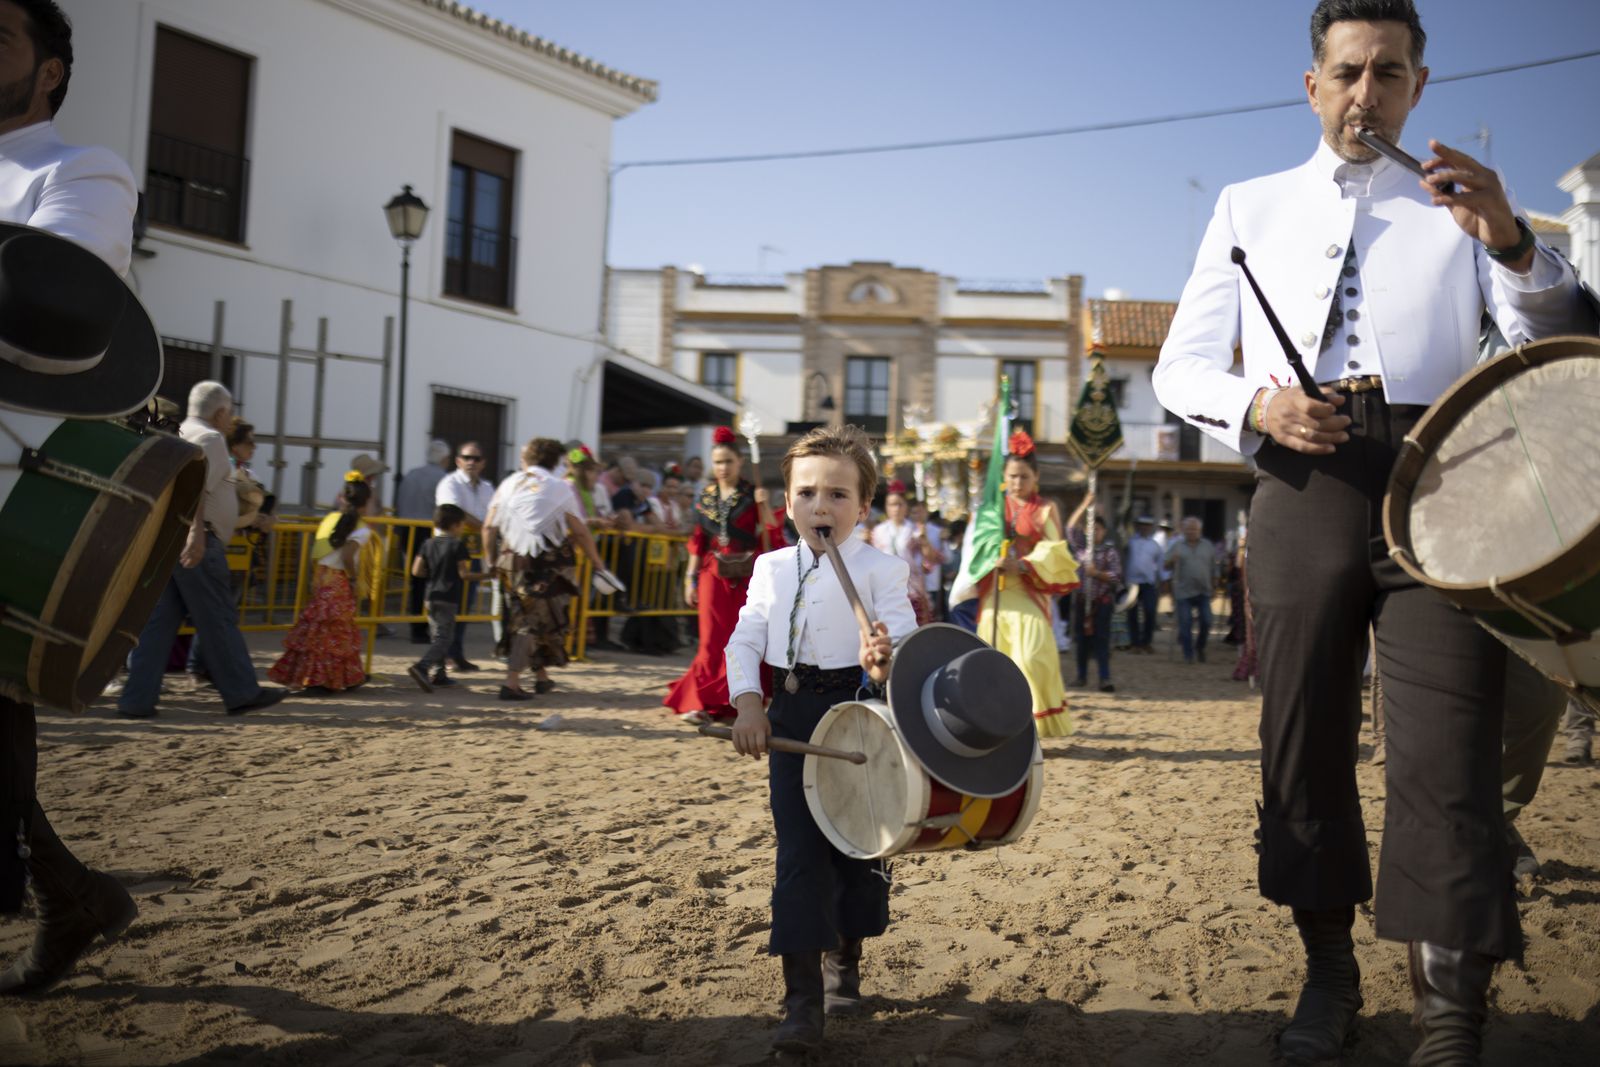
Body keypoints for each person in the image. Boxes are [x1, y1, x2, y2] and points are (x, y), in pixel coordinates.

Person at [1152, 2, 1593, 1060]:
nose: (1366, 93)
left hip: (1444, 476)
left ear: (1418, 87)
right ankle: (1327, 969)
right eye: (1347, 71)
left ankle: (1450, 1010)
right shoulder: (1246, 204)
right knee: (1299, 737)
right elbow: (1179, 367)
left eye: (1388, 73)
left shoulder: (1471, 207)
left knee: (1447, 747)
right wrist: (1257, 407)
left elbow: (1563, 338)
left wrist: (1513, 240)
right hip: (1299, 480)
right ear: (1312, 85)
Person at [2, 0, 149, 994]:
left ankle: (65, 890)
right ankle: (67, 888)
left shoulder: (80, 168)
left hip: (9, 483)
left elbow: (56, 293)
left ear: (48, 70)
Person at [725, 424, 917, 1055]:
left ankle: (846, 961)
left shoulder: (884, 569)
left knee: (856, 851)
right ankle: (802, 1004)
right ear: (788, 503)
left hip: (858, 716)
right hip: (789, 717)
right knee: (801, 853)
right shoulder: (770, 567)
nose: (820, 506)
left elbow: (903, 649)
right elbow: (746, 638)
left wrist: (884, 661)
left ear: (863, 507)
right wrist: (750, 704)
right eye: (807, 493)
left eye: (838, 494)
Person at [118, 380, 289, 719]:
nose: (231, 420)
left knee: (160, 622)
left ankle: (136, 698)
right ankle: (241, 692)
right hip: (199, 541)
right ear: (221, 412)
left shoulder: (178, 432)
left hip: (170, 541)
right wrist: (196, 532)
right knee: (218, 617)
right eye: (230, 413)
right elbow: (191, 487)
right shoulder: (210, 439)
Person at [663, 426, 785, 725]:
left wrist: (763, 503)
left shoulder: (751, 492)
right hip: (711, 575)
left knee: (741, 638)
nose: (722, 468)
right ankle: (702, 701)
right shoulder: (705, 496)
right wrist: (689, 579)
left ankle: (738, 700)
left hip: (745, 578)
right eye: (717, 462)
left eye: (728, 462)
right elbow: (697, 540)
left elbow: (772, 532)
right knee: (709, 641)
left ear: (739, 462)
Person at [974, 429, 1079, 739]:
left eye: (1023, 476)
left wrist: (1022, 564)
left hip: (1028, 592)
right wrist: (988, 558)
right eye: (1012, 476)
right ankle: (999, 725)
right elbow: (975, 547)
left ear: (1036, 477)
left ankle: (1031, 723)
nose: (1017, 483)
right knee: (996, 659)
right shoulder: (992, 509)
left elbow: (1054, 550)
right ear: (1004, 476)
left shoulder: (1046, 508)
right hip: (994, 595)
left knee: (1032, 657)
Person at [484, 438, 605, 701]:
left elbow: (489, 527)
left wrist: (491, 561)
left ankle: (541, 677)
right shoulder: (559, 487)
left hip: (511, 562)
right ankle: (511, 683)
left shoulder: (508, 484)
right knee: (530, 622)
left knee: (535, 619)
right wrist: (597, 563)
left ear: (527, 459)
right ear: (555, 461)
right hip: (548, 566)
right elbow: (580, 530)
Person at [268, 474, 372, 692]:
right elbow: (347, 556)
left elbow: (317, 553)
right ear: (367, 503)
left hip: (322, 578)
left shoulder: (330, 520)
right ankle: (329, 678)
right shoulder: (362, 529)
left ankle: (313, 676)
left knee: (316, 630)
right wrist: (353, 579)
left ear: (342, 498)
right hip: (338, 581)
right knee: (336, 631)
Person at [408, 503, 482, 692]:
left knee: (437, 636)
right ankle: (422, 667)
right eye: (462, 525)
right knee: (445, 638)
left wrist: (433, 574)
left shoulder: (428, 543)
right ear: (456, 525)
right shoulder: (457, 545)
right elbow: (464, 575)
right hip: (448, 597)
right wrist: (489, 575)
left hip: (430, 595)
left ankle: (439, 675)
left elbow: (416, 570)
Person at [435, 441, 495, 671]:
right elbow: (454, 512)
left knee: (464, 605)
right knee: (448, 606)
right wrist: (485, 527)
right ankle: (443, 656)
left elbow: (494, 513)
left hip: (471, 552)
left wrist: (488, 530)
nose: (471, 462)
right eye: (467, 457)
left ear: (483, 463)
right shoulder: (449, 483)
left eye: (476, 458)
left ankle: (455, 652)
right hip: (449, 551)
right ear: (458, 460)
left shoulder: (487, 487)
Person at [397, 439, 454, 643]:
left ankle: (417, 627)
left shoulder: (411, 474)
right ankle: (429, 627)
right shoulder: (444, 479)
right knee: (434, 581)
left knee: (416, 580)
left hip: (406, 530)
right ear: (446, 459)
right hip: (428, 532)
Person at [1067, 503, 1122, 693]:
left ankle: (1104, 678)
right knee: (1081, 642)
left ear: (1104, 531)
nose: (1094, 533)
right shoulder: (1081, 550)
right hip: (1082, 601)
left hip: (1102, 603)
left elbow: (1116, 576)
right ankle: (1081, 676)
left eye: (1097, 529)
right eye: (1090, 529)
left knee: (1101, 642)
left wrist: (1097, 573)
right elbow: (1070, 528)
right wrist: (1084, 504)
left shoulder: (1109, 552)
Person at [870, 480, 934, 624]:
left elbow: (929, 559)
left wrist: (924, 541)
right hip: (885, 588)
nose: (896, 509)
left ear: (906, 507)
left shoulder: (914, 530)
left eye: (900, 504)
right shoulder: (878, 531)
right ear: (886, 507)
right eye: (892, 504)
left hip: (912, 589)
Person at [1164, 518, 1216, 664]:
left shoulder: (1208, 546)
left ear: (1200, 531)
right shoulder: (1177, 546)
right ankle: (1188, 653)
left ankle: (1200, 646)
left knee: (1207, 620)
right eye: (1189, 529)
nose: (1192, 532)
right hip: (1183, 591)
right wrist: (1171, 561)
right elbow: (1165, 566)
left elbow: (1214, 568)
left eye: (1195, 529)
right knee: (1185, 623)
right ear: (1184, 530)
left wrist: (1215, 584)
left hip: (1203, 589)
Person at [1123, 516, 1163, 654]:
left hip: (1148, 583)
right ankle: (1135, 643)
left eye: (1147, 525)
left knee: (1150, 611)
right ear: (1138, 526)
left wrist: (1163, 581)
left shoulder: (1155, 545)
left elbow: (1160, 564)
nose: (1145, 527)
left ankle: (1146, 642)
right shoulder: (1130, 542)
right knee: (1132, 613)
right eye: (1142, 525)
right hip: (1132, 582)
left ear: (1151, 527)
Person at [909, 499, 947, 621]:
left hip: (931, 582)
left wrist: (942, 541)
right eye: (915, 512)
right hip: (912, 585)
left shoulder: (937, 531)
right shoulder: (907, 531)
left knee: (932, 618)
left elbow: (947, 557)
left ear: (926, 512)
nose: (918, 515)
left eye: (921, 512)